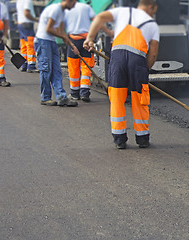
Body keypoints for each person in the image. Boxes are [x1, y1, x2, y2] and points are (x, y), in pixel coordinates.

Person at [84, 0, 160, 149]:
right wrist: (145, 70)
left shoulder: (123, 12)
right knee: (140, 99)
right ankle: (142, 139)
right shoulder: (152, 24)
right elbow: (153, 53)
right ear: (151, 7)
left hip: (117, 58)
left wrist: (90, 38)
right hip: (137, 60)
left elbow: (99, 18)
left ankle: (119, 139)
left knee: (117, 98)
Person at [34, 0, 79, 106]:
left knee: (57, 70)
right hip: (43, 41)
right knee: (46, 69)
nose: (73, 6)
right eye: (73, 3)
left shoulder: (62, 12)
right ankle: (45, 98)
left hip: (51, 41)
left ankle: (61, 97)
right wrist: (63, 37)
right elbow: (48, 28)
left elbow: (61, 31)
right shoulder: (55, 9)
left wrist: (72, 46)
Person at [64, 1, 96, 102]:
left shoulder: (67, 9)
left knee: (73, 68)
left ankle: (74, 93)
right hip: (86, 40)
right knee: (86, 67)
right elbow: (95, 21)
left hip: (73, 40)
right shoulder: (86, 7)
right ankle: (85, 93)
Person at [16, 0, 38, 73]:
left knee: (24, 45)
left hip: (21, 24)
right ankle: (31, 65)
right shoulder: (27, 1)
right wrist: (35, 19)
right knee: (30, 45)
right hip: (27, 24)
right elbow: (26, 13)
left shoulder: (19, 1)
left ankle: (24, 64)